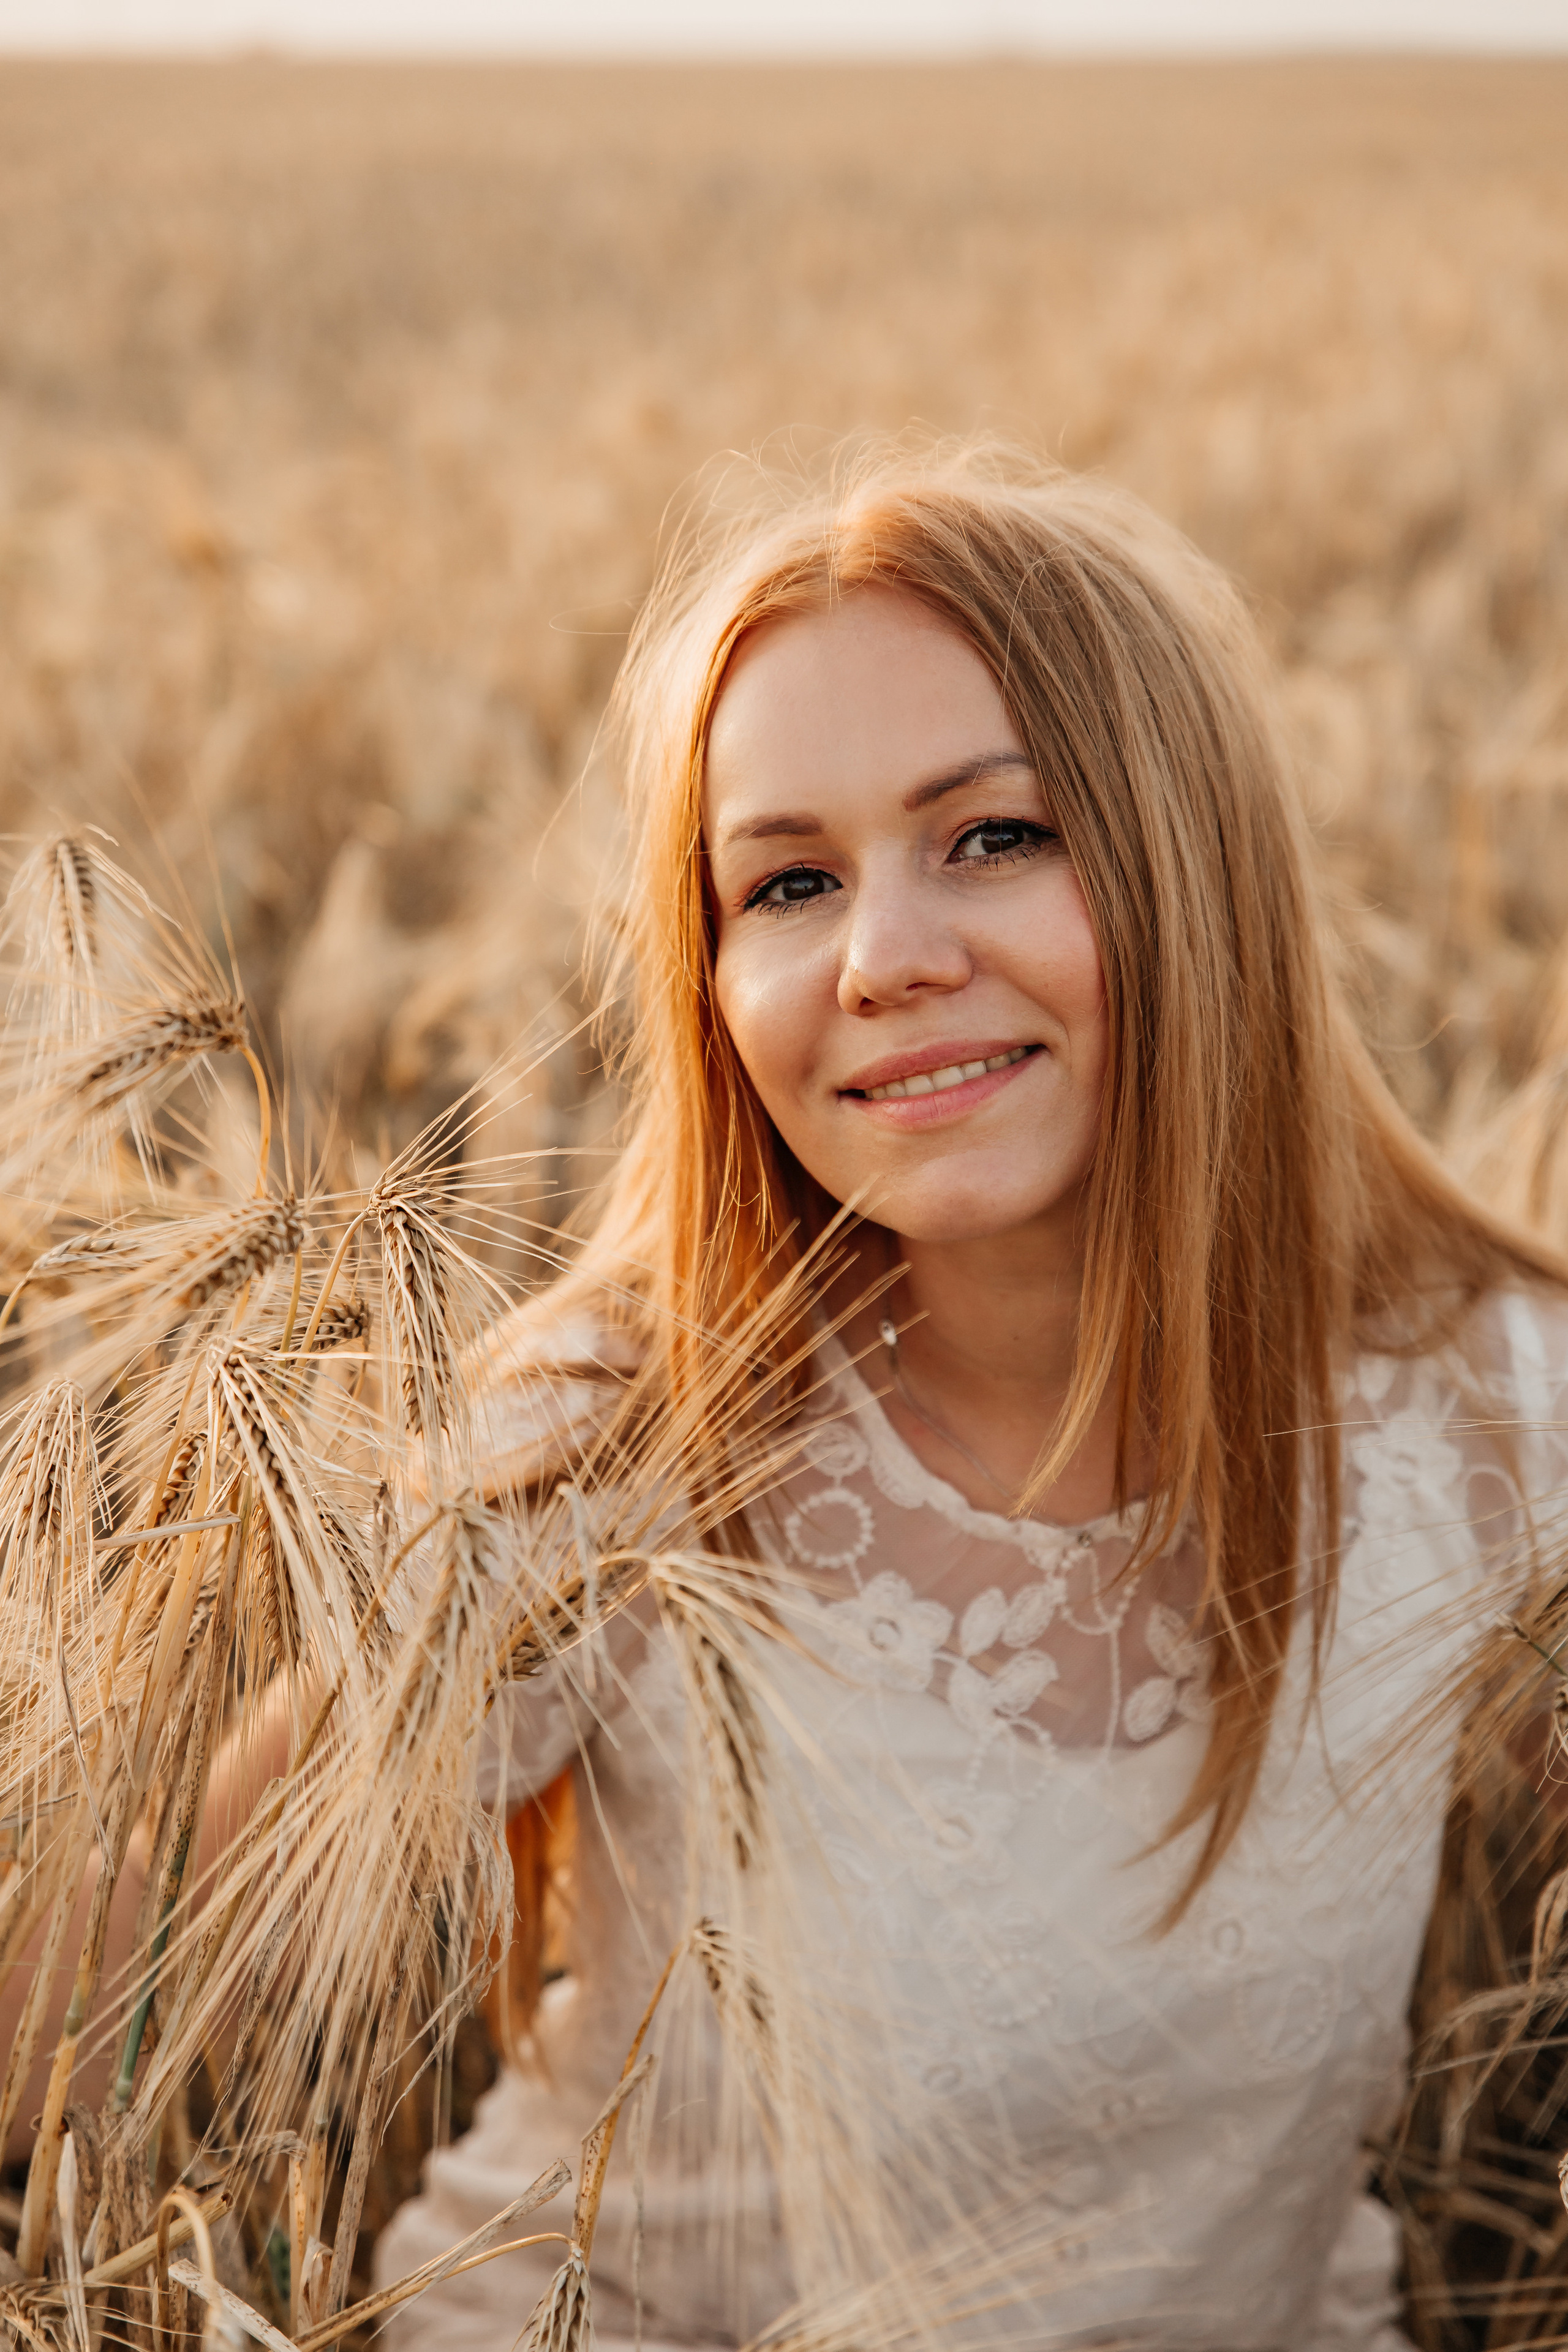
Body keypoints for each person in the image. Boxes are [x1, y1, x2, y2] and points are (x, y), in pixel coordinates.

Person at [375, 442, 1568, 2352]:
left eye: (996, 837)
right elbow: (139, 1969)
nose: (885, 959)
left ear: (1198, 865)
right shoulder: (615, 1440)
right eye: (787, 881)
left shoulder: (1492, 1413)